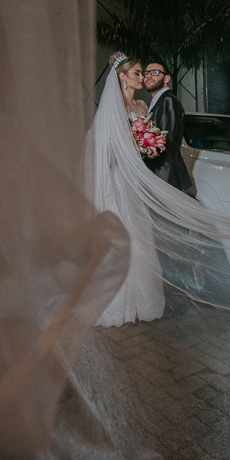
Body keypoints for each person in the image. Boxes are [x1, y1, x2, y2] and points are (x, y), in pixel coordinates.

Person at [88, 52, 165, 327]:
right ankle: (115, 302)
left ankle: (141, 301)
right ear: (122, 77)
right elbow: (102, 146)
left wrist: (149, 145)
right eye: (137, 73)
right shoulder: (113, 107)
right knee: (122, 235)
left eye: (143, 73)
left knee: (140, 234)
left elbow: (143, 143)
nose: (142, 77)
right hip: (117, 180)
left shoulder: (142, 106)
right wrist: (123, 155)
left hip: (134, 180)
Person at [142, 61, 193, 192]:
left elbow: (164, 141)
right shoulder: (157, 101)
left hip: (166, 174)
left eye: (155, 72)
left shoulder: (168, 100)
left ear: (167, 79)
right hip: (160, 173)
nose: (148, 76)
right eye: (146, 73)